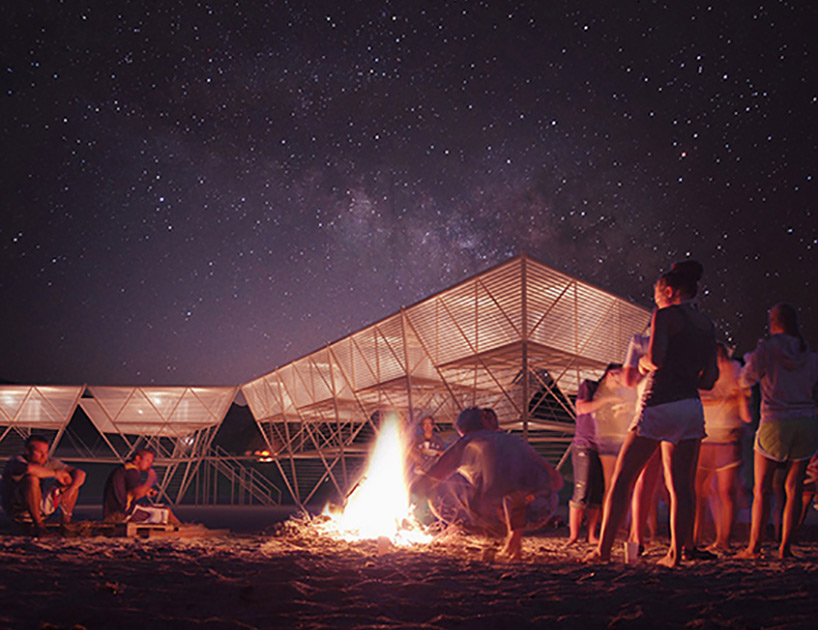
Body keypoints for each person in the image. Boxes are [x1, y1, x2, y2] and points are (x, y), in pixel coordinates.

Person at [587, 260, 718, 567]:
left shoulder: (667, 315)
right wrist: (686, 376)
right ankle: (675, 554)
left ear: (669, 292)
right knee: (681, 485)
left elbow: (656, 360)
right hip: (690, 408)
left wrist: (643, 363)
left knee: (623, 479)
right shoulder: (707, 325)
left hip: (658, 403)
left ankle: (603, 551)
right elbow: (709, 379)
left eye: (657, 297)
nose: (655, 304)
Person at [412, 407, 563, 559]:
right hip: (540, 511)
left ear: (462, 430)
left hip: (493, 514)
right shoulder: (516, 440)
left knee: (439, 491)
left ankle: (492, 532)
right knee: (513, 492)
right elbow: (557, 481)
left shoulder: (465, 442)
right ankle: (513, 535)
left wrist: (411, 492)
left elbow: (431, 478)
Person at [735, 303, 818, 559]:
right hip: (806, 422)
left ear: (774, 321)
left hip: (775, 421)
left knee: (762, 489)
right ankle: (785, 548)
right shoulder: (811, 355)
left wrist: (751, 359)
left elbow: (745, 379)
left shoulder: (767, 349)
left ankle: (754, 547)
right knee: (794, 489)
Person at [693, 343, 751, 552]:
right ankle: (696, 539)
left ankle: (722, 540)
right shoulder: (702, 371)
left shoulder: (735, 369)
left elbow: (744, 403)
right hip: (707, 437)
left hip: (725, 437)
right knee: (699, 492)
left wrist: (738, 400)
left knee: (724, 492)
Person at [565, 367, 616, 545]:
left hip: (604, 447)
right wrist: (607, 400)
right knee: (582, 489)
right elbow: (581, 408)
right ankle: (574, 535)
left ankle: (592, 534)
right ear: (611, 374)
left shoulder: (620, 396)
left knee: (598, 492)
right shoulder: (589, 387)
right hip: (584, 444)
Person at [1, 435, 86, 535]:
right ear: (28, 451)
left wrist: (71, 490)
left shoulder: (48, 462)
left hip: (40, 505)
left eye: (46, 453)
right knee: (32, 479)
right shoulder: (16, 461)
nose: (44, 456)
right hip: (18, 509)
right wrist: (56, 474)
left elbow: (80, 473)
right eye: (40, 453)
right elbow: (30, 469)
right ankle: (39, 526)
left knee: (69, 479)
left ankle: (66, 523)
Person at [103, 449, 180, 525]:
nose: (149, 464)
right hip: (124, 514)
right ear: (138, 458)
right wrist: (150, 479)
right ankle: (182, 530)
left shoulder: (123, 469)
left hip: (113, 512)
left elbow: (129, 492)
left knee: (157, 511)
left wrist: (146, 491)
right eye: (147, 461)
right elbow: (138, 492)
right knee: (166, 511)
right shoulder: (131, 471)